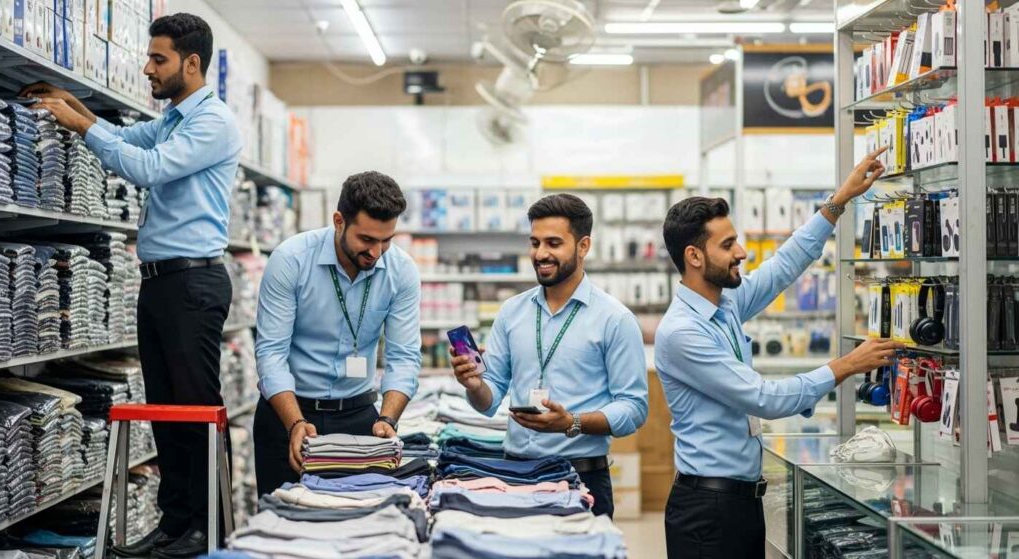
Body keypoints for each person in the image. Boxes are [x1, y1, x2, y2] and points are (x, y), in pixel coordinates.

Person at [24, 13, 241, 559]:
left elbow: (146, 168)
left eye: (158, 59)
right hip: (163, 285)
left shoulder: (212, 122)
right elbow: (121, 136)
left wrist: (80, 124)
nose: (148, 68)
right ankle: (174, 525)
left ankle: (205, 528)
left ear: (191, 63)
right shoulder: (172, 118)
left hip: (193, 284)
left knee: (193, 409)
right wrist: (71, 104)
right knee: (165, 409)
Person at [655, 148, 904, 559]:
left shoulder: (725, 304)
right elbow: (763, 399)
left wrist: (839, 200)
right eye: (728, 244)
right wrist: (845, 366)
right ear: (694, 257)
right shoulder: (683, 332)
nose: (741, 253)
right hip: (707, 510)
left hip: (739, 502)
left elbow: (784, 264)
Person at [451, 193, 649, 517]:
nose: (540, 254)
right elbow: (488, 402)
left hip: (580, 477)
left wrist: (571, 422)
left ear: (583, 246)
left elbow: (634, 409)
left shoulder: (615, 319)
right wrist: (474, 384)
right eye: (535, 242)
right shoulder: (512, 312)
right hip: (514, 475)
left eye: (553, 243)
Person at [253, 171, 421, 496]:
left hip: (360, 419)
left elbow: (404, 357)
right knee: (281, 529)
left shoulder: (401, 271)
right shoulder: (291, 260)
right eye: (367, 240)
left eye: (386, 240)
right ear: (339, 221)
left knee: (357, 526)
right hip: (288, 415)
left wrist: (389, 419)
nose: (376, 252)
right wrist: (296, 424)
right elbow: (271, 354)